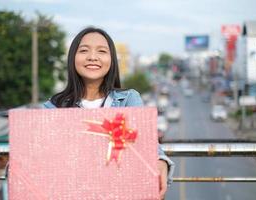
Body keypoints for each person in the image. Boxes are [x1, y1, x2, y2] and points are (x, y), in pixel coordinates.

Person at [44, 26, 174, 199]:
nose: (92, 57)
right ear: (72, 58)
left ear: (111, 60)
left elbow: (147, 143)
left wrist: (161, 161)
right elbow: (40, 156)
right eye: (84, 50)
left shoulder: (129, 99)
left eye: (102, 51)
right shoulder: (52, 108)